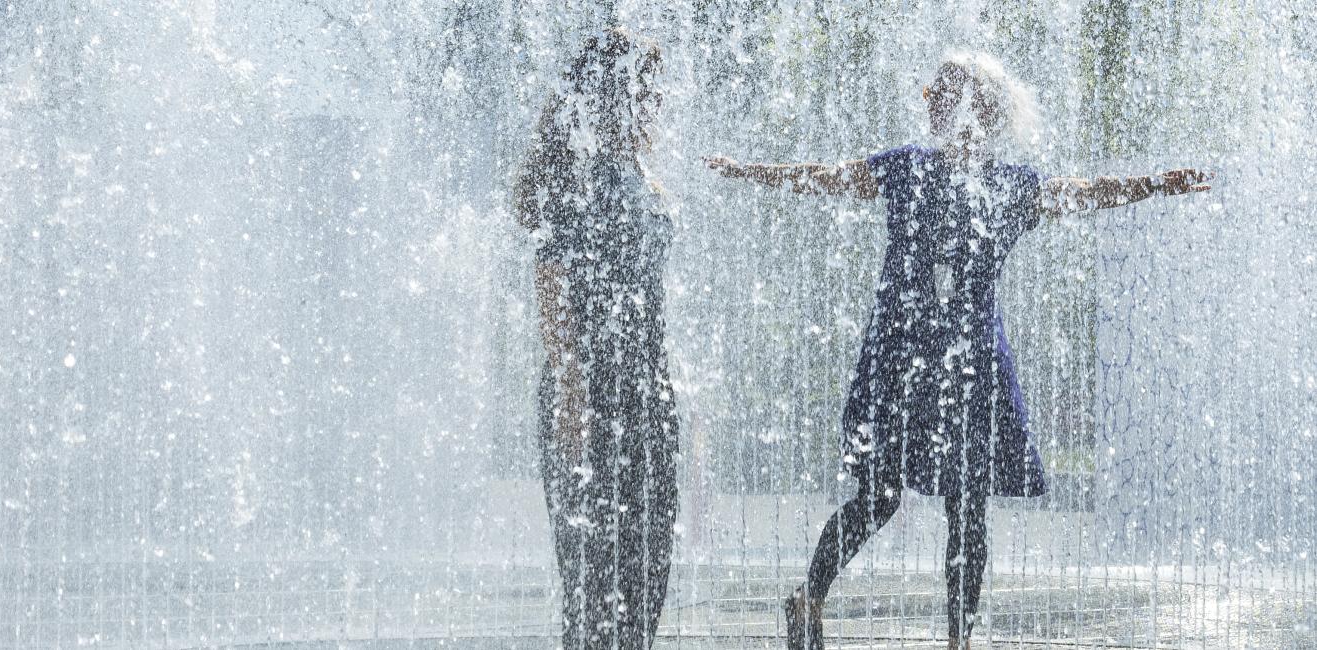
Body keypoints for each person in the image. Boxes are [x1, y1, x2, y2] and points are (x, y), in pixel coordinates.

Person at [707, 51, 1213, 650]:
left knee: (967, 507)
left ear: (985, 109)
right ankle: (809, 597)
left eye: (949, 92)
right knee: (880, 497)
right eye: (937, 94)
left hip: (971, 364)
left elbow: (1086, 193)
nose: (937, 102)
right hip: (903, 359)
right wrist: (749, 171)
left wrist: (1155, 184)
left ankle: (958, 638)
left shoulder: (1011, 185)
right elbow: (825, 177)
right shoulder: (907, 168)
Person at [513, 27, 679, 650]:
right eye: (648, 90)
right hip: (588, 390)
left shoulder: (638, 172)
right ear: (616, 94)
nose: (658, 104)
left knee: (646, 566)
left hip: (649, 390)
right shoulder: (574, 176)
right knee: (591, 574)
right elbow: (551, 284)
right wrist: (572, 390)